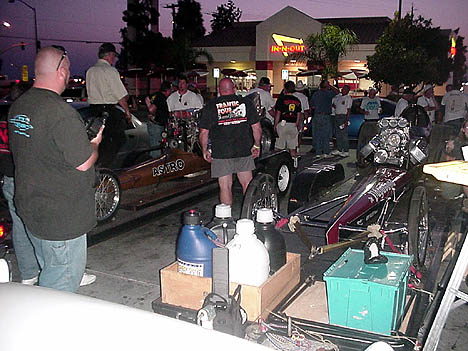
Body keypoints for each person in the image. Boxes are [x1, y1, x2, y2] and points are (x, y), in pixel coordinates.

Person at [8, 46, 103, 292]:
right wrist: (94, 144)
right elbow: (83, 162)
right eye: (69, 70)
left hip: (33, 209)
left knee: (49, 267)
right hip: (60, 218)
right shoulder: (59, 112)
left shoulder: (19, 106)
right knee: (59, 286)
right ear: (61, 71)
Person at [199, 78, 262, 205]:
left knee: (225, 186)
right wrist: (256, 145)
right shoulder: (246, 103)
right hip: (243, 150)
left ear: (219, 90)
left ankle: (226, 220)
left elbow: (203, 132)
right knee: (247, 184)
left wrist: (205, 149)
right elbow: (257, 128)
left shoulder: (211, 105)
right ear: (234, 89)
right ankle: (249, 217)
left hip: (221, 152)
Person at [1, 83, 40, 285]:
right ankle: (55, 270)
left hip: (9, 178)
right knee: (40, 226)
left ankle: (28, 274)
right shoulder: (22, 119)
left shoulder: (5, 115)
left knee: (20, 226)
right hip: (25, 178)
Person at [86, 42, 131, 168]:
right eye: (113, 56)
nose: (113, 59)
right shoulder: (110, 71)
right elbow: (120, 95)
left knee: (97, 141)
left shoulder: (90, 71)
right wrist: (127, 111)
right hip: (108, 111)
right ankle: (104, 166)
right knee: (118, 139)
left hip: (93, 111)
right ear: (109, 55)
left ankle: (95, 165)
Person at [444, 119, 468, 212]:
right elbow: (448, 160)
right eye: (467, 127)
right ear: (463, 129)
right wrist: (449, 149)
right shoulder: (457, 143)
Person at [274, 81, 303, 160]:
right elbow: (298, 114)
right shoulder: (297, 100)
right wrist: (297, 124)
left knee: (279, 148)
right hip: (293, 124)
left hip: (283, 124)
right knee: (292, 148)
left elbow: (278, 113)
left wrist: (275, 125)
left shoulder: (281, 99)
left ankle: (280, 164)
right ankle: (294, 163)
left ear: (285, 89)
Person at [309, 80, 338, 157]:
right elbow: (337, 91)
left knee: (317, 134)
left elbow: (312, 105)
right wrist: (330, 86)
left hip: (317, 115)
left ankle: (318, 152)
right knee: (326, 134)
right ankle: (326, 152)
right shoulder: (328, 93)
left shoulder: (316, 94)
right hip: (325, 115)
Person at [145, 81, 171, 158]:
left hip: (152, 124)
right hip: (157, 125)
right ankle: (154, 163)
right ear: (167, 90)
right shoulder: (161, 97)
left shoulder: (155, 94)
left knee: (153, 145)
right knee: (156, 148)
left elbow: (147, 98)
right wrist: (153, 114)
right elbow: (151, 109)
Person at [331, 84, 352, 157]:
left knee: (343, 134)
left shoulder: (348, 98)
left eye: (345, 89)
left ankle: (346, 150)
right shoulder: (339, 97)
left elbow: (349, 110)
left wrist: (346, 120)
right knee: (338, 134)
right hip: (337, 116)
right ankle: (339, 149)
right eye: (343, 89)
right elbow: (335, 105)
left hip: (343, 116)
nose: (343, 90)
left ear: (348, 91)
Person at [293, 80, 310, 147]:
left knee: (292, 133)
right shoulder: (304, 97)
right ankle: (297, 147)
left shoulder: (292, 95)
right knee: (299, 133)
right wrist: (306, 121)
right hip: (300, 116)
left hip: (291, 115)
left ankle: (291, 147)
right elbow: (306, 110)